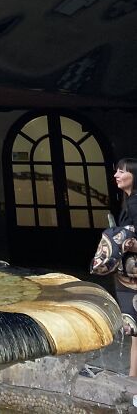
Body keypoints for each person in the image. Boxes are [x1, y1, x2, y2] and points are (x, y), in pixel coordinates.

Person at [114, 157, 137, 376]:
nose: (116, 175)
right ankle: (132, 382)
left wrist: (128, 244)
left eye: (122, 172)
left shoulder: (134, 203)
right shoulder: (128, 201)